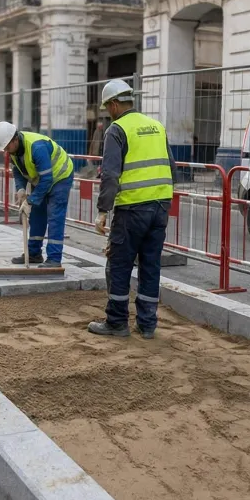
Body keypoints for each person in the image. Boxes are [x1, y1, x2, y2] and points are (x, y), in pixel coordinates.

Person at [88, 79, 176, 340]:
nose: (108, 112)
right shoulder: (157, 126)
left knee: (120, 264)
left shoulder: (117, 129)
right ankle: (148, 324)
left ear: (114, 104)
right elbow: (172, 168)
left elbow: (111, 175)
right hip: (160, 207)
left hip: (132, 209)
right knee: (150, 265)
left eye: (107, 107)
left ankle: (117, 322)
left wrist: (103, 210)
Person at [0, 121, 75, 268]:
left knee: (55, 217)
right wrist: (21, 190)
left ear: (15, 139)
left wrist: (30, 201)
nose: (6, 150)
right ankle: (34, 254)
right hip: (43, 180)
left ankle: (54, 259)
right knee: (37, 216)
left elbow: (47, 179)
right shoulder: (14, 151)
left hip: (60, 177)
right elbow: (18, 171)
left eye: (7, 146)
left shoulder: (37, 147)